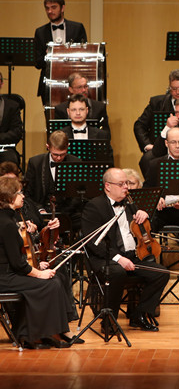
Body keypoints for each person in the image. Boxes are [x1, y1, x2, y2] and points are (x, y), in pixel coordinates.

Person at [81, 168, 169, 331]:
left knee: (161, 273)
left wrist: (145, 215)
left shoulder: (130, 203)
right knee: (117, 272)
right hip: (106, 259)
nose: (126, 187)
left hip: (132, 256)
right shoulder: (94, 206)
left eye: (127, 183)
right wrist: (118, 259)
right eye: (121, 184)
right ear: (108, 186)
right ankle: (109, 321)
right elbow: (93, 242)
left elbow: (147, 231)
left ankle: (139, 314)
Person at [0, 176, 72, 349]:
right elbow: (17, 264)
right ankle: (33, 335)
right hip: (4, 277)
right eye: (19, 193)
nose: (23, 196)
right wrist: (39, 273)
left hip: (9, 273)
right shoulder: (6, 223)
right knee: (49, 284)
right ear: (10, 197)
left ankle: (44, 334)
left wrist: (38, 267)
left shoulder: (10, 218)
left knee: (54, 280)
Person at [133, 69, 179, 178]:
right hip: (162, 149)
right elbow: (139, 125)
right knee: (147, 159)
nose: (177, 92)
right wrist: (147, 145)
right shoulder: (157, 103)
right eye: (174, 88)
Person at [34, 0, 87, 104]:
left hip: (74, 83)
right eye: (47, 8)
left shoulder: (77, 28)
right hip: (49, 84)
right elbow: (37, 63)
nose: (50, 11)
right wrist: (48, 55)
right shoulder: (40, 32)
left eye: (53, 7)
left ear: (62, 8)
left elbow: (83, 56)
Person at [144, 127, 179, 232]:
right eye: (173, 142)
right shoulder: (155, 164)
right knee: (147, 225)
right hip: (162, 212)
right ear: (166, 143)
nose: (177, 146)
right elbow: (146, 190)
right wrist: (156, 198)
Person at [23, 131, 81, 214]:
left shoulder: (76, 162)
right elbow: (27, 193)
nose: (59, 158)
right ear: (48, 147)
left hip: (68, 212)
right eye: (55, 154)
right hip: (41, 212)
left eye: (62, 154)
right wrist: (40, 209)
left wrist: (64, 213)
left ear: (68, 146)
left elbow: (78, 195)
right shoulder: (35, 163)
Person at [0, 72, 24, 165]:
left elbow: (16, 133)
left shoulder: (12, 106)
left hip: (4, 148)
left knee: (10, 160)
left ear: (1, 84)